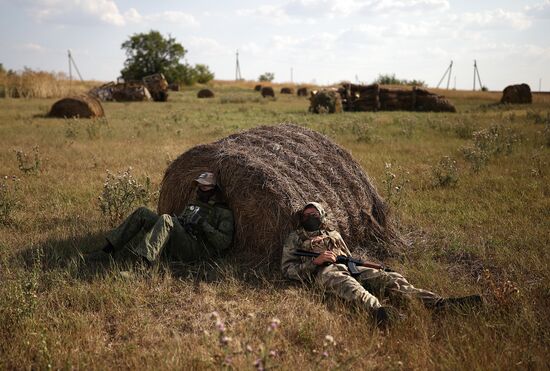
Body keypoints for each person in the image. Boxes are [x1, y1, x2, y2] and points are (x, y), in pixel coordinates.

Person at [281, 202, 482, 326]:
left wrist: (364, 267)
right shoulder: (295, 238)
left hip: (349, 265)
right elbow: (287, 270)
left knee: (389, 279)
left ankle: (439, 303)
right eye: (306, 215)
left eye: (314, 215)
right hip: (324, 271)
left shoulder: (333, 234)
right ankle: (379, 312)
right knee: (350, 287)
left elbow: (349, 257)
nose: (309, 218)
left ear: (322, 216)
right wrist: (315, 262)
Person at [91, 171, 234, 265]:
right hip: (180, 241)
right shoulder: (193, 203)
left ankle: (143, 265)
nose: (201, 190)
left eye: (206, 187)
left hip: (195, 250)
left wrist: (204, 225)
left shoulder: (222, 212)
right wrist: (181, 222)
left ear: (215, 189)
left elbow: (223, 243)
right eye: (199, 186)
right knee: (143, 212)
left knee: (166, 219)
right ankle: (107, 251)